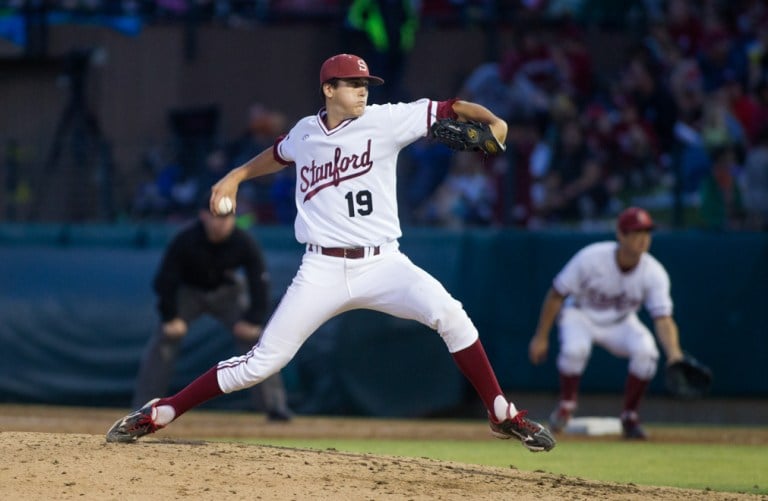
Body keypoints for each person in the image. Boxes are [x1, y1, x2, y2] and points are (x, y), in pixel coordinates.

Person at [106, 53, 556, 453]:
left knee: (451, 314)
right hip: (321, 266)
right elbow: (279, 153)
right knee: (261, 364)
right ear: (329, 89)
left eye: (366, 84)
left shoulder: (385, 120)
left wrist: (493, 120)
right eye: (354, 84)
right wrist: (236, 176)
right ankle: (161, 412)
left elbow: (450, 107)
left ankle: (501, 413)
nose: (363, 91)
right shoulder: (306, 133)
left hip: (384, 263)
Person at [131, 195, 293, 422]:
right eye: (217, 217)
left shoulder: (243, 240)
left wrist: (253, 319)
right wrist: (170, 317)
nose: (223, 223)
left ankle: (275, 406)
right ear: (204, 216)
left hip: (227, 292)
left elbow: (260, 281)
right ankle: (142, 406)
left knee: (258, 342)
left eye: (228, 217)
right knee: (164, 340)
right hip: (190, 292)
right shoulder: (186, 239)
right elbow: (165, 280)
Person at [527, 206, 686, 439]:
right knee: (574, 350)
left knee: (647, 352)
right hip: (580, 314)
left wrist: (674, 353)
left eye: (646, 233)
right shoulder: (591, 257)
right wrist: (541, 336)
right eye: (635, 232)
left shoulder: (654, 272)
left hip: (621, 322)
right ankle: (566, 405)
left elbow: (663, 318)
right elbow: (556, 294)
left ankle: (630, 416)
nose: (642, 239)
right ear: (620, 235)